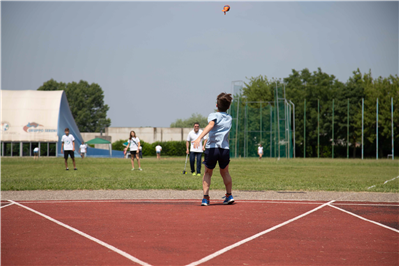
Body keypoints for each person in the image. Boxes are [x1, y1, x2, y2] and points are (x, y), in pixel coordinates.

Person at [193, 92, 234, 206]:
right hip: (224, 149)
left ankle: (205, 198)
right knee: (225, 172)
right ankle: (229, 195)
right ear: (228, 107)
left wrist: (199, 138)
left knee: (207, 172)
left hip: (212, 148)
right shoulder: (229, 118)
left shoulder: (213, 115)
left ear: (216, 105)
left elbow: (211, 125)